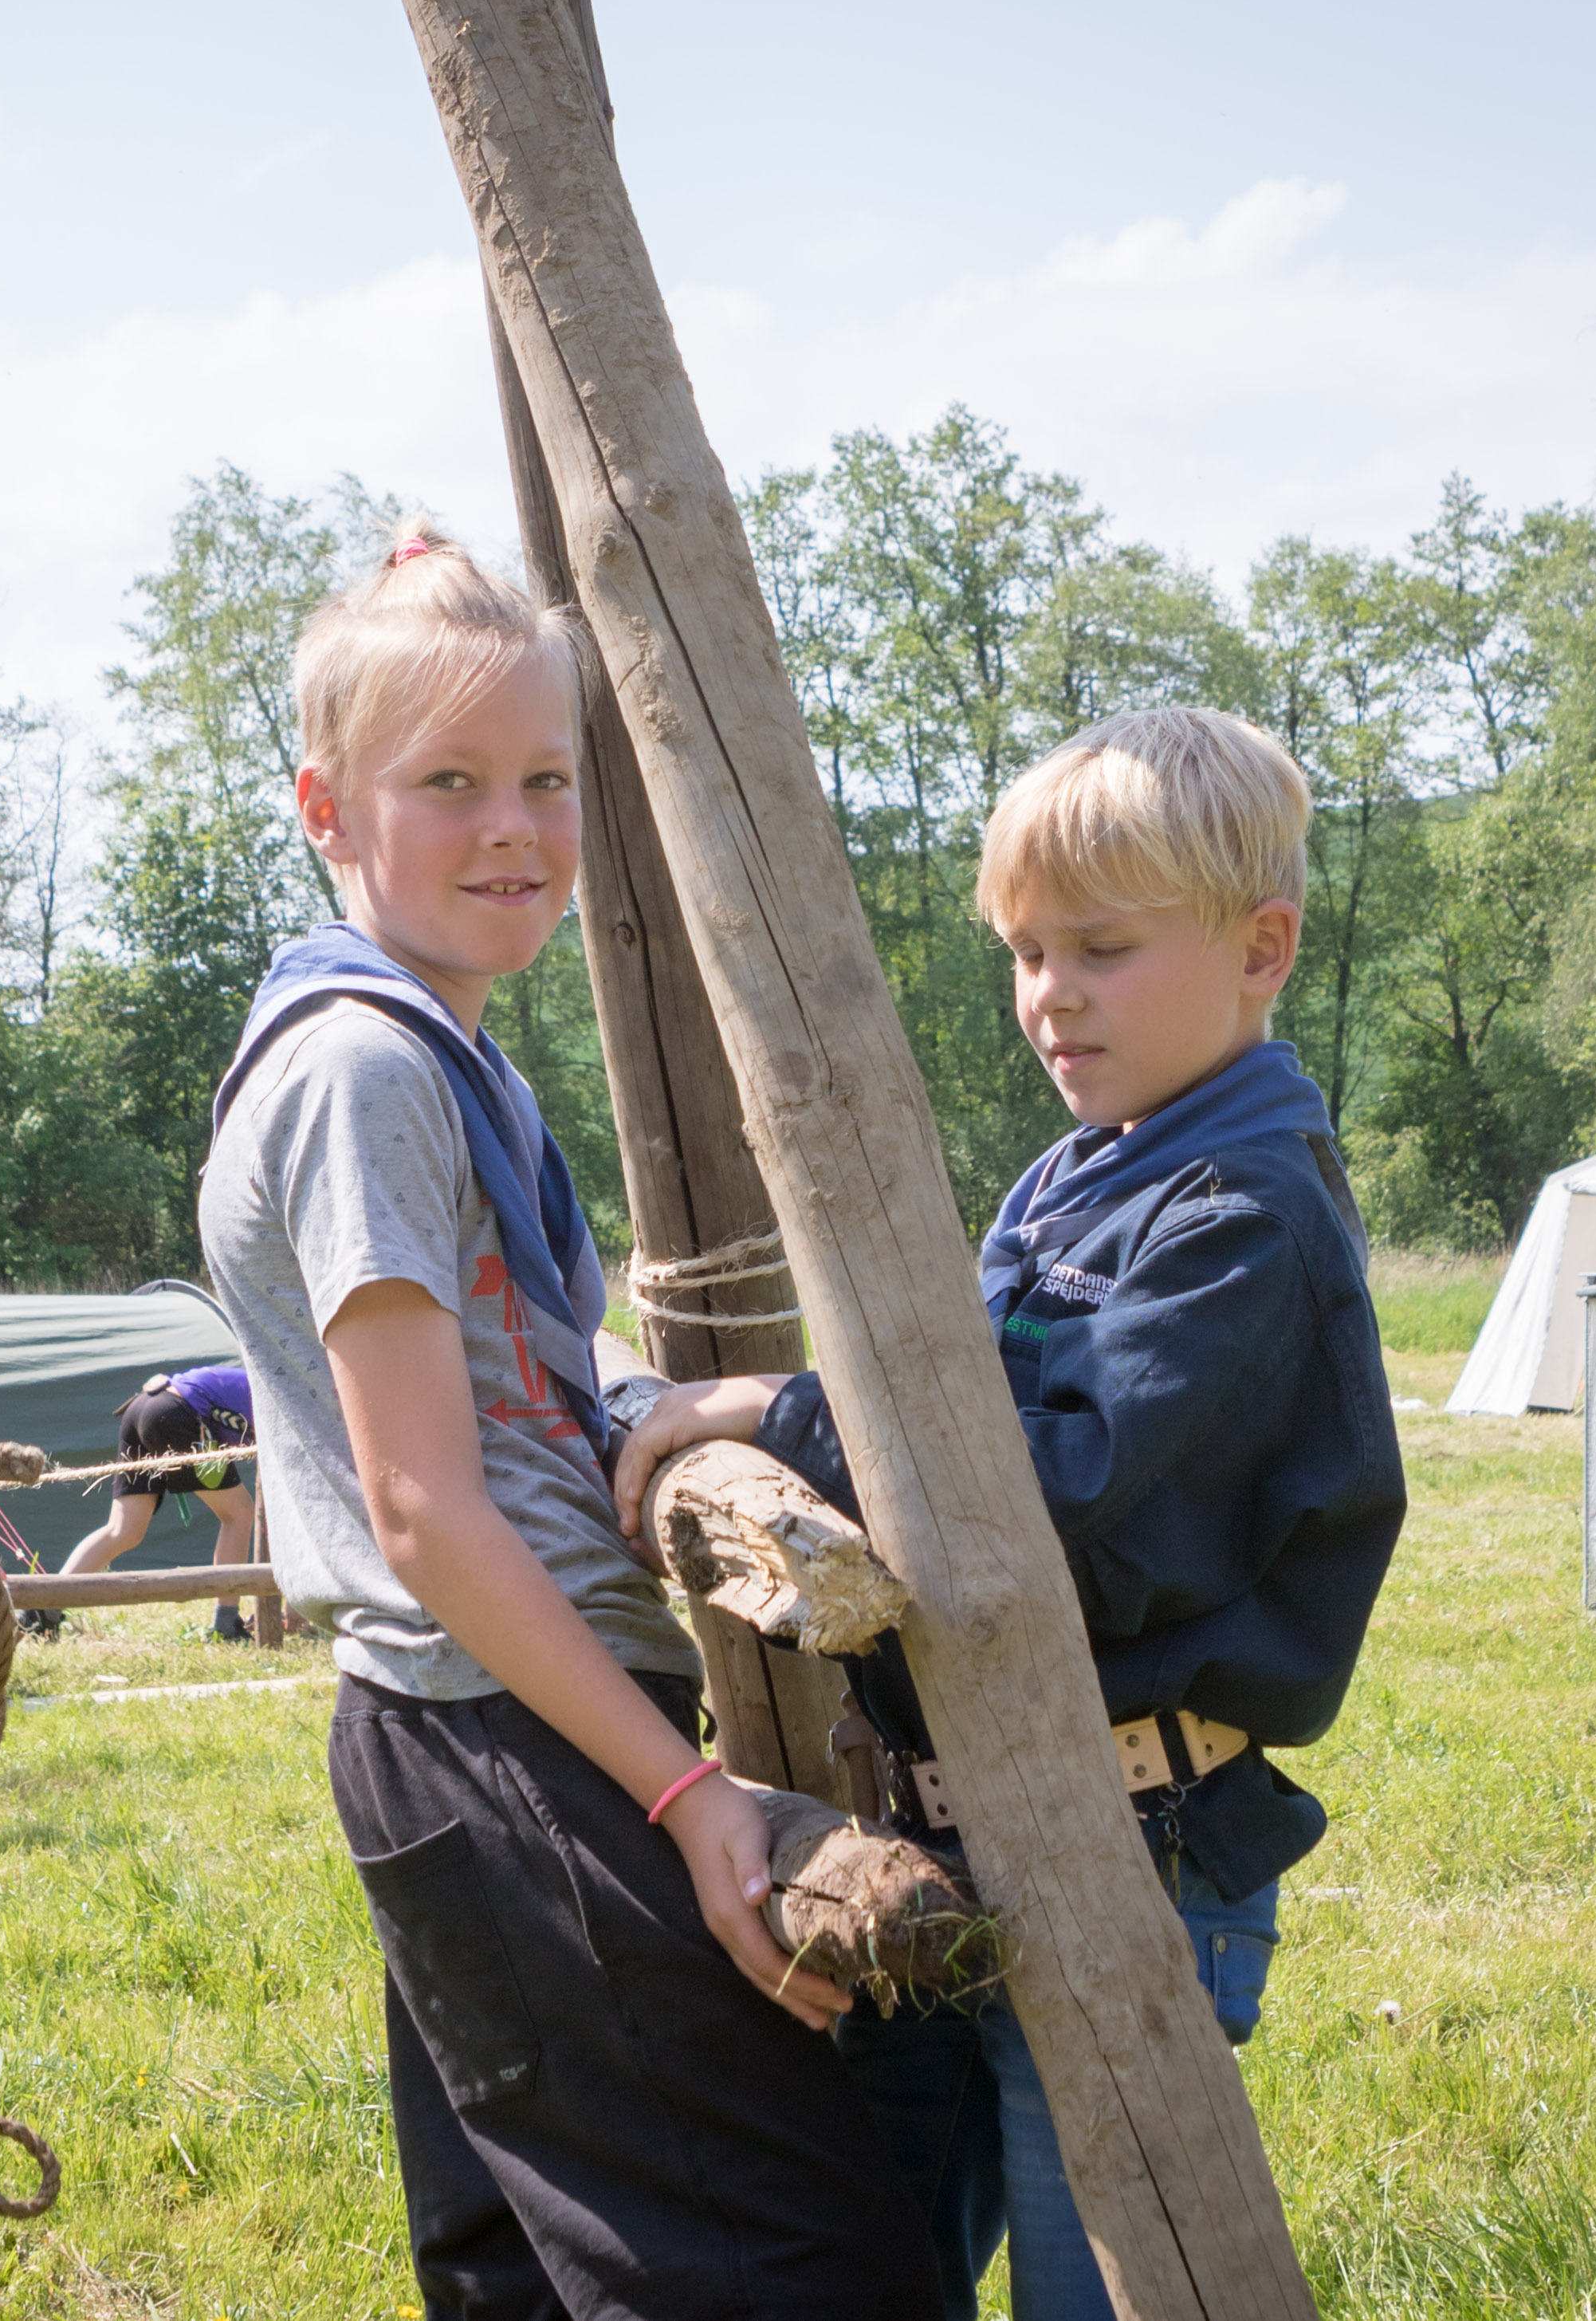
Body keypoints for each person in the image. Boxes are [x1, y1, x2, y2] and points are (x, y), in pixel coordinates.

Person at [198, 521, 936, 2319]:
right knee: (807, 2265)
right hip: (503, 1724)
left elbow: (515, 1359)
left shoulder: (447, 1053)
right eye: (447, 781)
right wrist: (684, 1794)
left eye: (544, 776)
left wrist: (647, 1401)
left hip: (486, 1719)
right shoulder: (363, 1067)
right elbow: (423, 1503)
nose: (514, 825)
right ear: (326, 806)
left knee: (525, 2269)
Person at [613, 706, 1409, 2321]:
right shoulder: (1069, 1181)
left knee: (1099, 2273)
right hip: (950, 1824)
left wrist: (775, 1409)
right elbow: (937, 1402)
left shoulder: (1238, 1216)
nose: (1052, 994)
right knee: (854, 2251)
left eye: (1102, 948)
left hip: (1134, 1846)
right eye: (1029, 953)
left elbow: (1035, 1496)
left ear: (1262, 949)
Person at [37, 1366, 258, 1641]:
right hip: (174, 1411)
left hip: (143, 1406)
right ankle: (226, 1625)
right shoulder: (291, 1400)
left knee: (124, 1530)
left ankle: (43, 1610)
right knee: (239, 1513)